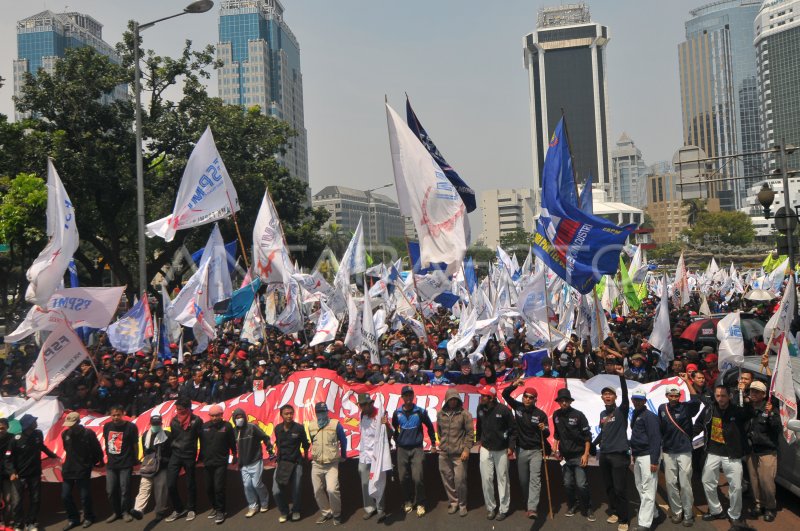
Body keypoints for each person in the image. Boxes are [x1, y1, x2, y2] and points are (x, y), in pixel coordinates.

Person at [700, 385, 754, 525]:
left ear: (729, 396)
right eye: (718, 395)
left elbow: (749, 414)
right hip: (713, 451)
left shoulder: (737, 410)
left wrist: (747, 400)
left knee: (736, 486)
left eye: (723, 396)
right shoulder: (710, 409)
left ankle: (734, 515)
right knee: (707, 481)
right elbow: (700, 424)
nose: (720, 398)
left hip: (732, 453)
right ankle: (715, 510)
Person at [502, 380, 550, 519]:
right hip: (521, 450)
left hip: (536, 450)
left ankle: (532, 508)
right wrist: (515, 384)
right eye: (526, 396)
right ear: (522, 397)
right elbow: (505, 394)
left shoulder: (540, 414)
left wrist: (544, 428)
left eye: (531, 397)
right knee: (524, 481)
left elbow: (547, 433)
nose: (528, 399)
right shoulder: (518, 407)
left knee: (535, 479)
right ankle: (528, 500)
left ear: (535, 400)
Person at [658, 382, 701, 527]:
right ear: (666, 396)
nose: (674, 398)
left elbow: (696, 399)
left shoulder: (686, 407)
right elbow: (661, 428)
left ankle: (688, 514)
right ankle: (677, 512)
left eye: (677, 395)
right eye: (671, 395)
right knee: (670, 483)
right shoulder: (662, 408)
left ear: (680, 396)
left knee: (685, 484)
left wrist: (688, 380)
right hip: (668, 451)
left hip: (684, 450)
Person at [6, 414, 58, 531]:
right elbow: (7, 459)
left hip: (34, 474)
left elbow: (42, 447)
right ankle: (18, 524)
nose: (36, 422)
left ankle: (31, 523)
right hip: (19, 476)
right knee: (17, 502)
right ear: (28, 425)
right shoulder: (15, 440)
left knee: (35, 499)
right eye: (33, 421)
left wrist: (53, 455)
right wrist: (12, 472)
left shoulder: (38, 434)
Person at [391, 385, 436, 517]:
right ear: (402, 397)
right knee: (403, 478)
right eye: (406, 395)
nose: (408, 397)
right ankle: (407, 501)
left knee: (418, 477)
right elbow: (394, 428)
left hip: (417, 448)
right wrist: (397, 442)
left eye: (410, 395)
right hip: (402, 449)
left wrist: (433, 443)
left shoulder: (420, 411)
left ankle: (421, 502)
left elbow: (430, 427)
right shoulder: (397, 413)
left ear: (413, 396)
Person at [595, 366, 631, 531]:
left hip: (619, 456)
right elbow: (602, 434)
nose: (607, 396)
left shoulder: (621, 410)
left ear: (615, 397)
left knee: (620, 488)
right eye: (605, 394)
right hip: (604, 455)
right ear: (602, 397)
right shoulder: (603, 414)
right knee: (609, 487)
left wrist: (622, 377)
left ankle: (624, 519)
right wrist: (589, 444)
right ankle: (615, 511)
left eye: (610, 394)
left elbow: (626, 397)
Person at [552, 389, 594, 522]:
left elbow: (588, 437)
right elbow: (557, 434)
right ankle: (573, 504)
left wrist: (586, 454)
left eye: (566, 400)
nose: (563, 403)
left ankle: (588, 508)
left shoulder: (578, 415)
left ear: (570, 401)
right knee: (567, 484)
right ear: (558, 402)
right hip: (565, 457)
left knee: (581, 484)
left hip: (579, 455)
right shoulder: (556, 415)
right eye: (561, 400)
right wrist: (554, 446)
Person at [475, 385, 516, 521]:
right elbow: (479, 426)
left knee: (502, 480)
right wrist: (478, 441)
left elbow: (513, 430)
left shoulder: (504, 410)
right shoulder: (480, 408)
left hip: (501, 449)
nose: (481, 398)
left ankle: (503, 509)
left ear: (491, 398)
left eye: (483, 396)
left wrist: (511, 447)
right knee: (486, 479)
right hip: (486, 448)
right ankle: (491, 508)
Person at [745, 380, 781, 523]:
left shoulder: (770, 409)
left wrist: (771, 414)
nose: (753, 393)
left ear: (764, 395)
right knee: (754, 481)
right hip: (751, 450)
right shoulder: (747, 408)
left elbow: (777, 428)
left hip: (767, 451)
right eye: (752, 391)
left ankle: (770, 508)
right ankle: (758, 505)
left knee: (766, 482)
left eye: (757, 392)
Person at [61, 412, 104, 531]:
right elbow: (66, 449)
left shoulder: (88, 433)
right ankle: (73, 519)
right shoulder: (65, 434)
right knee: (65, 495)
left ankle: (89, 517)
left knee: (85, 496)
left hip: (83, 468)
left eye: (72, 424)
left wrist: (99, 460)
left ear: (78, 422)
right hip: (68, 468)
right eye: (68, 424)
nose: (70, 426)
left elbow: (96, 448)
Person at [436, 388, 474, 517]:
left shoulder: (465, 414)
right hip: (444, 453)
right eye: (450, 399)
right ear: (446, 400)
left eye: (455, 399)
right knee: (447, 479)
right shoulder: (440, 414)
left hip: (459, 454)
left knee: (460, 480)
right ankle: (453, 502)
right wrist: (443, 445)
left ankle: (462, 504)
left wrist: (466, 449)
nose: (452, 401)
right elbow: (440, 432)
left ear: (458, 400)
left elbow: (470, 434)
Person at [165, 397, 204, 522]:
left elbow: (201, 439)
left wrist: (201, 455)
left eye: (181, 409)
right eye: (177, 409)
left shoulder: (197, 421)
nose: (178, 411)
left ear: (188, 409)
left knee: (190, 484)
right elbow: (172, 438)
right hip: (176, 455)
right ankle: (178, 509)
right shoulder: (174, 421)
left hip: (189, 455)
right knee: (170, 484)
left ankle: (191, 508)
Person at [308, 402, 347, 526]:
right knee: (317, 490)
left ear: (327, 411)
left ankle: (337, 514)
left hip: (331, 464)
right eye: (319, 412)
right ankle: (326, 512)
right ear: (316, 413)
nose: (322, 414)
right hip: (317, 463)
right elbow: (312, 440)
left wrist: (344, 455)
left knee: (332, 489)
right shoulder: (311, 425)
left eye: (324, 411)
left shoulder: (335, 424)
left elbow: (343, 440)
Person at [231, 408, 273, 517]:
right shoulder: (234, 431)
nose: (239, 419)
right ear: (234, 419)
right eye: (237, 417)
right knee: (247, 485)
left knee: (257, 484)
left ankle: (264, 502)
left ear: (244, 417)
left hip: (255, 460)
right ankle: (253, 506)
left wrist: (269, 447)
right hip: (243, 463)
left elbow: (265, 437)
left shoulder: (252, 427)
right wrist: (234, 457)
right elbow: (232, 446)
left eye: (240, 416)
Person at [629, 387, 661, 531]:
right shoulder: (635, 414)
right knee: (640, 486)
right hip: (638, 455)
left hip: (648, 455)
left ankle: (644, 524)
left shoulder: (650, 417)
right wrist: (634, 455)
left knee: (648, 489)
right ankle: (653, 513)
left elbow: (655, 439)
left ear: (645, 401)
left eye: (640, 400)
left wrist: (654, 460)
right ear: (632, 400)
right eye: (635, 399)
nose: (637, 402)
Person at [356, 393, 391, 523]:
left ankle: (381, 509)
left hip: (377, 457)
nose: (365, 407)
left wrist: (386, 424)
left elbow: (390, 433)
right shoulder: (362, 415)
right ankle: (370, 508)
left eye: (368, 404)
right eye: (362, 405)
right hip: (364, 456)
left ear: (371, 403)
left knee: (378, 481)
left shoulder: (380, 414)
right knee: (365, 483)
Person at [272, 404, 310, 523]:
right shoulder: (277, 428)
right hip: (282, 463)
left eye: (291, 413)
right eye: (286, 413)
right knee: (276, 491)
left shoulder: (299, 428)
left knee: (296, 489)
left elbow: (305, 444)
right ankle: (284, 511)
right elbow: (278, 444)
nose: (289, 416)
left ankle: (296, 510)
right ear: (281, 415)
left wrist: (305, 457)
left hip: (296, 462)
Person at [200, 404, 236, 524]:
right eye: (212, 416)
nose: (215, 418)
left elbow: (232, 442)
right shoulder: (204, 426)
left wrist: (235, 455)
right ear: (209, 416)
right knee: (209, 487)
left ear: (222, 415)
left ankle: (221, 511)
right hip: (207, 462)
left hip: (221, 462)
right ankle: (215, 507)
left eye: (217, 415)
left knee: (219, 487)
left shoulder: (227, 426)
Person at [131, 415, 172, 522]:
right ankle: (138, 510)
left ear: (161, 424)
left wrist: (163, 460)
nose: (156, 426)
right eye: (154, 424)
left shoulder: (167, 435)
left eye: (158, 424)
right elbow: (145, 451)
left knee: (161, 491)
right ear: (150, 424)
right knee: (144, 487)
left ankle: (160, 511)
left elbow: (170, 451)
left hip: (162, 467)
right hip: (148, 466)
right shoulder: (145, 435)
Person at [102, 405, 139, 523]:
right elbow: (107, 442)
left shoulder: (131, 427)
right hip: (111, 464)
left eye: (118, 415)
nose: (116, 417)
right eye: (113, 415)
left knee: (125, 489)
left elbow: (135, 445)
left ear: (123, 414)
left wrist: (135, 459)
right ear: (110, 415)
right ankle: (116, 512)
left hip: (125, 463)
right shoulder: (107, 426)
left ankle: (125, 512)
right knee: (111, 490)